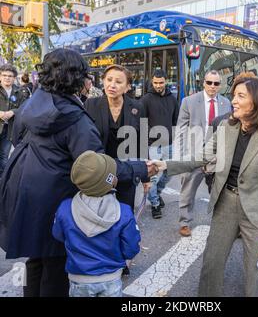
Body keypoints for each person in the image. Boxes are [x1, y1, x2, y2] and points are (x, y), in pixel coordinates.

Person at [0, 49, 155, 297]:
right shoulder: (75, 119)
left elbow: (15, 138)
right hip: (56, 198)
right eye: (85, 76)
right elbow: (95, 168)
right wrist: (141, 169)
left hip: (25, 192)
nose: (89, 81)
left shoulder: (32, 103)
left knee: (35, 261)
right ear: (74, 78)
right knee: (57, 267)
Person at [152, 77, 258, 296]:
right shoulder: (226, 127)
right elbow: (201, 157)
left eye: (240, 96)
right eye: (234, 95)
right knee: (211, 264)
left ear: (257, 102)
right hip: (225, 203)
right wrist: (165, 165)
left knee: (256, 270)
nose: (233, 100)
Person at [52, 151, 140, 297]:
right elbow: (131, 248)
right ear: (111, 181)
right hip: (111, 277)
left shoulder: (65, 208)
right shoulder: (123, 212)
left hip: (78, 278)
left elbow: (58, 235)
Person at [174, 70, 231, 236]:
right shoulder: (189, 102)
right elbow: (181, 130)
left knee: (220, 191)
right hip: (194, 154)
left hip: (216, 156)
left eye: (216, 83)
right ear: (203, 83)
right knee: (188, 189)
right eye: (209, 82)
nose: (212, 86)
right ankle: (184, 222)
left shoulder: (226, 103)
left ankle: (223, 224)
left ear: (220, 85)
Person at [85, 64, 149, 210]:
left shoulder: (138, 108)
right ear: (103, 81)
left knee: (125, 211)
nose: (112, 85)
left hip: (127, 170)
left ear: (127, 87)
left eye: (119, 82)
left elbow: (142, 143)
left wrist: (146, 176)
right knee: (100, 213)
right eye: (109, 80)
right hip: (100, 170)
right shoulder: (90, 105)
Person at [140, 69, 179, 219]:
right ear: (152, 82)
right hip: (152, 145)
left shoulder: (172, 99)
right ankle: (155, 204)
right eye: (155, 83)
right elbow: (141, 123)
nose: (158, 85)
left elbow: (175, 120)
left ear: (166, 81)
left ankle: (157, 193)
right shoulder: (146, 99)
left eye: (161, 82)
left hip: (168, 143)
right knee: (153, 177)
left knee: (170, 172)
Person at [0, 64, 26, 177]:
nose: (7, 78)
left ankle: (3, 179)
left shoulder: (19, 91)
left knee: (4, 156)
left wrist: (13, 112)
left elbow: (25, 107)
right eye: (4, 75)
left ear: (14, 78)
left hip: (9, 129)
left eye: (10, 76)